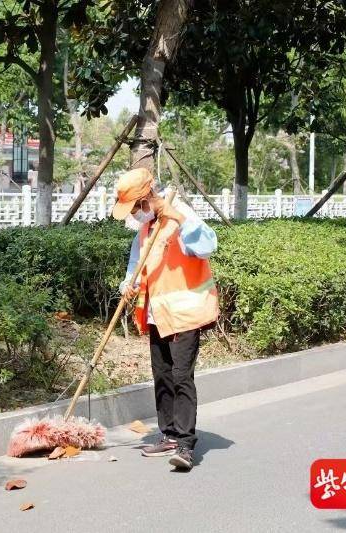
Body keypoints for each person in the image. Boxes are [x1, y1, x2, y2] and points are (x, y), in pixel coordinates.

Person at [113, 167, 219, 471]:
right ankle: (169, 434)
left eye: (135, 206)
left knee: (181, 376)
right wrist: (128, 284)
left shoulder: (178, 216)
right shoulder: (146, 228)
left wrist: (178, 216)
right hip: (158, 314)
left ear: (147, 198)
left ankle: (185, 445)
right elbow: (137, 262)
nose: (133, 213)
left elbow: (208, 246)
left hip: (186, 312)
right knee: (162, 374)